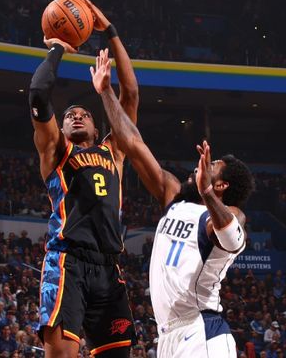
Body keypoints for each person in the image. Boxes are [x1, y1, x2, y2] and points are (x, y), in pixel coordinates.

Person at [90, 49, 254, 358]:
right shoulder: (174, 196)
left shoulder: (228, 214)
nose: (200, 166)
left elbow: (232, 236)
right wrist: (106, 92)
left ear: (221, 185)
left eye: (212, 166)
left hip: (202, 331)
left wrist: (207, 193)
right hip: (168, 336)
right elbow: (133, 144)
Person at [28, 0, 137, 357]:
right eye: (69, 115)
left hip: (108, 267)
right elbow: (38, 95)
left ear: (96, 126)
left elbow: (131, 94)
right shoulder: (57, 151)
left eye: (84, 114)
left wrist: (111, 32)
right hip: (67, 262)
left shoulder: (114, 151)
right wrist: (58, 49)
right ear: (61, 127)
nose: (76, 116)